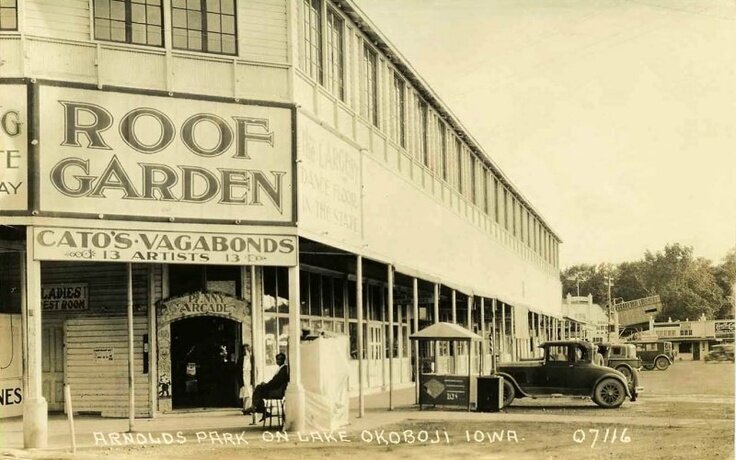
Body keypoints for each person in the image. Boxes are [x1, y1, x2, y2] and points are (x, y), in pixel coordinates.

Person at [244, 352, 289, 416]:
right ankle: (259, 409)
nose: (278, 361)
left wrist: (266, 385)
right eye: (277, 359)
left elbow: (276, 382)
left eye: (280, 359)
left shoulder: (283, 370)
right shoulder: (281, 369)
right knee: (259, 390)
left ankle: (258, 408)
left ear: (283, 360)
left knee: (259, 389)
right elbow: (274, 382)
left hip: (277, 391)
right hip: (275, 389)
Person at [237, 344, 253, 415]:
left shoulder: (251, 358)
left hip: (249, 377)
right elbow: (239, 370)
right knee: (246, 393)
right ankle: (246, 408)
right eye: (244, 350)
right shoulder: (241, 359)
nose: (246, 351)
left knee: (249, 393)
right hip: (244, 377)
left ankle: (247, 408)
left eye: (247, 349)